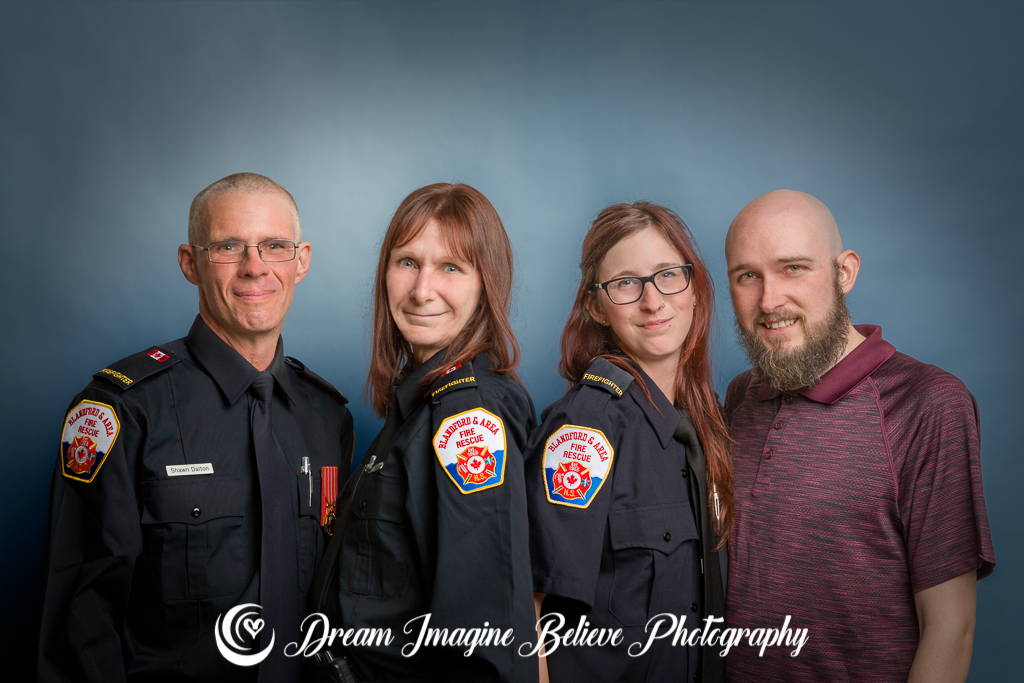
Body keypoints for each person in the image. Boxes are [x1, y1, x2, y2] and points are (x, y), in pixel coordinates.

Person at [38, 173, 355, 683]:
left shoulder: (327, 416)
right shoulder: (121, 410)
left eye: (275, 246)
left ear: (302, 261)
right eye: (229, 247)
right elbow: (81, 629)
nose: (255, 267)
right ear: (190, 263)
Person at [723, 189, 996, 682]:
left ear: (844, 272)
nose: (769, 300)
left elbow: (950, 628)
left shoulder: (928, 403)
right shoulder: (742, 394)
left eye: (793, 268)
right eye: (747, 276)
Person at [311, 183, 538, 682]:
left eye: (451, 268)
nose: (421, 290)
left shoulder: (468, 417)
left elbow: (484, 636)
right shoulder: (420, 401)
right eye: (407, 262)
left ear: (486, 284)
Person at [525, 202, 732, 683]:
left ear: (695, 289)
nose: (652, 302)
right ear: (596, 306)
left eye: (668, 275)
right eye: (626, 284)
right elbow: (527, 609)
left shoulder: (708, 421)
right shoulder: (585, 429)